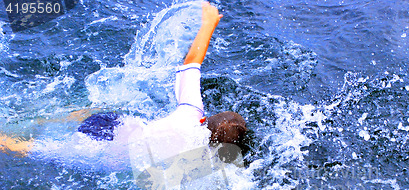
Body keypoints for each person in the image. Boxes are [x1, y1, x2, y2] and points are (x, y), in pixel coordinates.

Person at [0, 2, 247, 161]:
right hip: (103, 151)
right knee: (39, 151)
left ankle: (42, 120)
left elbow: (191, 63)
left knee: (81, 117)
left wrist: (209, 23)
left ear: (206, 119)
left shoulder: (192, 112)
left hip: (111, 123)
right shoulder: (197, 160)